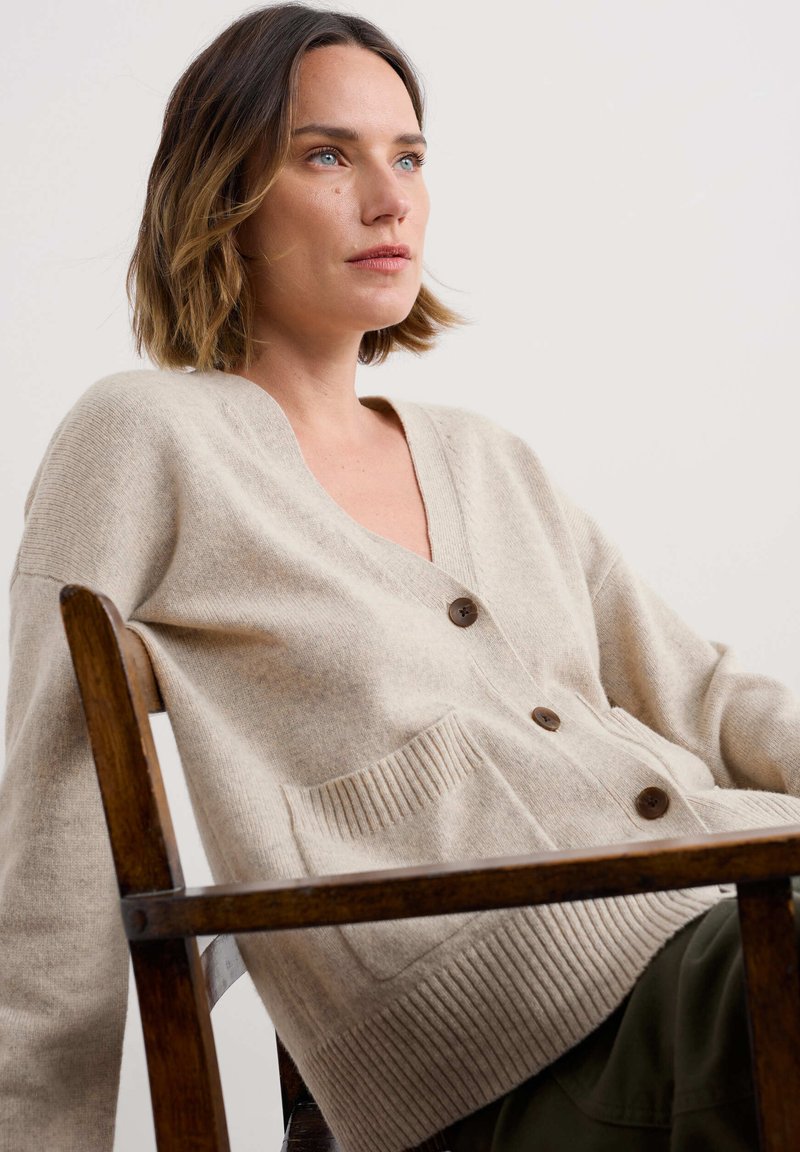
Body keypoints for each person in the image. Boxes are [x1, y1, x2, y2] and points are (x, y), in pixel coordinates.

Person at [1, 4, 799, 1151]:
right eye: (327, 156)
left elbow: (707, 701)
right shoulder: (146, 438)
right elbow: (49, 850)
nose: (389, 200)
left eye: (408, 157)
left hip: (725, 925)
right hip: (514, 1055)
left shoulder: (487, 458)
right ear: (221, 195)